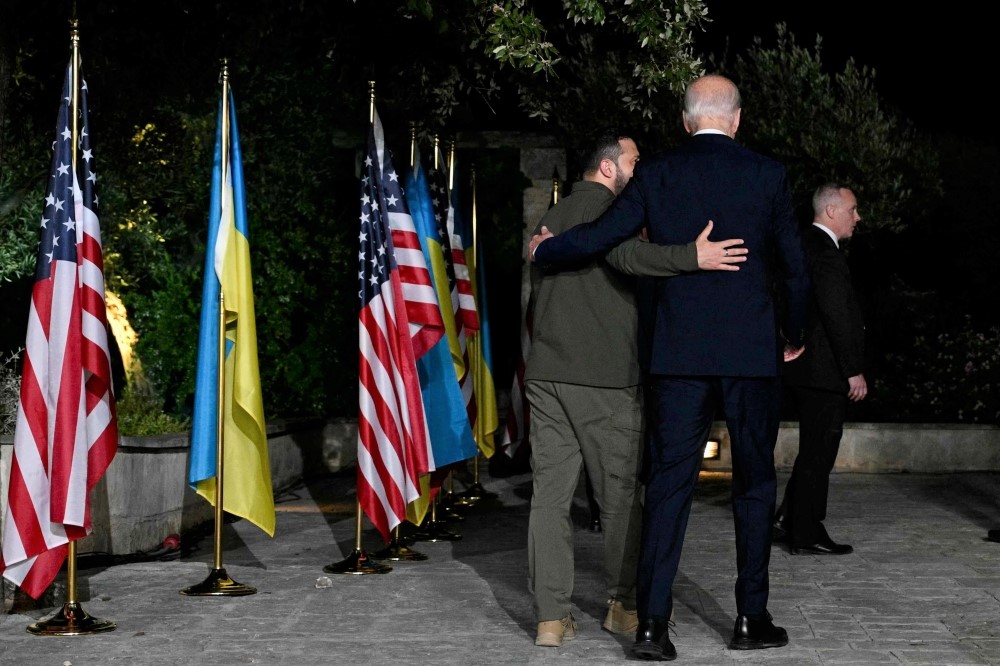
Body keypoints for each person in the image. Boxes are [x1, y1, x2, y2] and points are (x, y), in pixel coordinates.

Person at [529, 73, 811, 660]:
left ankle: (652, 626)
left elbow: (602, 236)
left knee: (668, 487)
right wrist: (794, 333)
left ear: (686, 121)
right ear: (736, 119)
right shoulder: (766, 175)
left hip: (678, 356)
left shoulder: (656, 173)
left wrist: (547, 249)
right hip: (749, 356)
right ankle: (749, 618)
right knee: (754, 485)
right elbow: (794, 267)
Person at [526, 130, 748, 648]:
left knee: (549, 500)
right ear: (609, 169)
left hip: (545, 377)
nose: (640, 168)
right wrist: (694, 256)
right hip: (603, 379)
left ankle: (550, 620)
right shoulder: (605, 217)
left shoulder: (551, 218)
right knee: (621, 497)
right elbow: (629, 259)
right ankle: (626, 607)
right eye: (634, 161)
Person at [773, 183, 866, 555]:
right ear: (831, 211)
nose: (857, 217)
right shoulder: (825, 253)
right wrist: (853, 369)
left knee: (813, 449)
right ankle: (806, 532)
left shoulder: (801, 244)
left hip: (804, 367)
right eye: (853, 209)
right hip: (822, 370)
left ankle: (788, 519)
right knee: (819, 452)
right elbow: (836, 314)